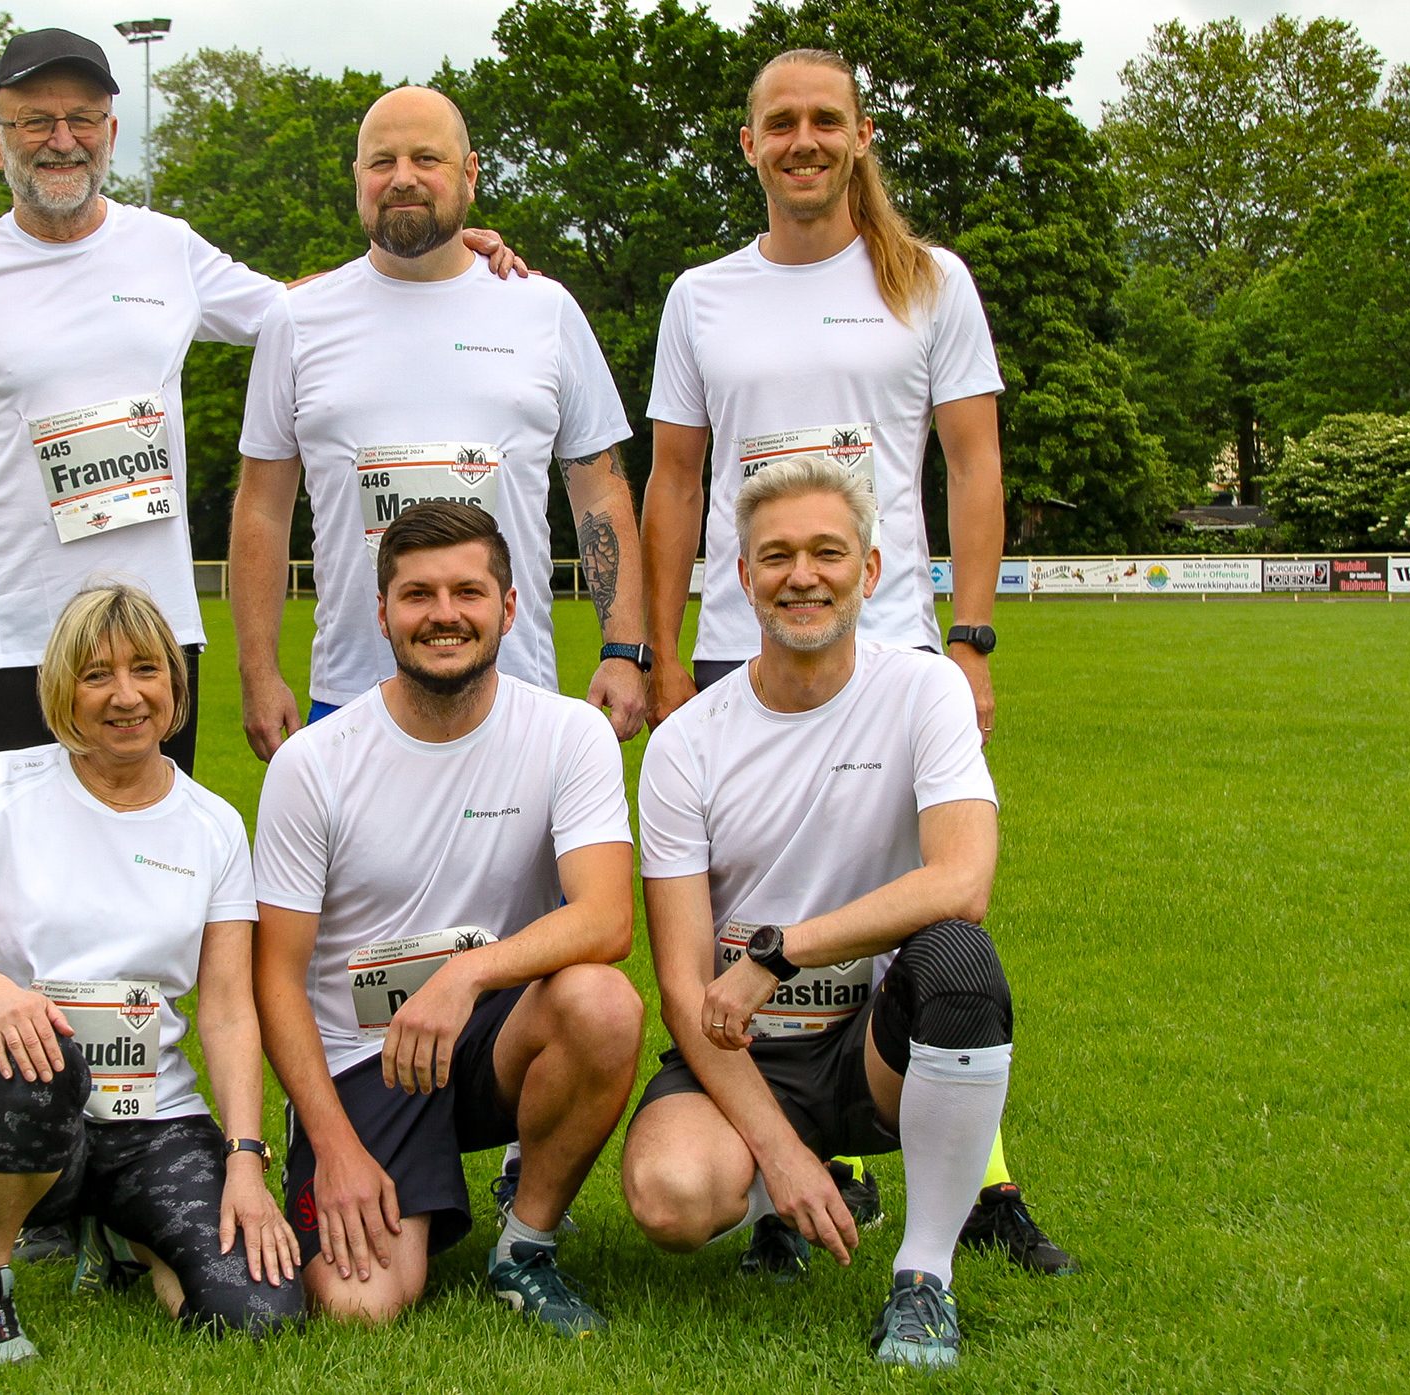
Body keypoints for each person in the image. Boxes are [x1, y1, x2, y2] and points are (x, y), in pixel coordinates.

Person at [636, 46, 1071, 1275]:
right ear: (749, 146)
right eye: (780, 123)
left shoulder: (928, 281)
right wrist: (658, 652)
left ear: (861, 134)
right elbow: (674, 480)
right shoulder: (700, 296)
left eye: (825, 119)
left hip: (888, 648)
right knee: (743, 928)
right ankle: (784, 1170)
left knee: (922, 926)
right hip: (737, 650)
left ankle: (973, 1182)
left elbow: (971, 463)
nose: (803, 140)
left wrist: (970, 636)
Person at [0, 31, 527, 775]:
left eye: (84, 119)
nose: (62, 140)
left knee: (155, 865)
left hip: (158, 643)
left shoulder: (166, 247)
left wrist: (443, 254)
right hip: (19, 641)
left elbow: (301, 310)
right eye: (35, 120)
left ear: (111, 134)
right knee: (25, 879)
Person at [619, 456, 1023, 1370]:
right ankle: (773, 1201)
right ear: (744, 577)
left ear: (870, 572)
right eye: (777, 556)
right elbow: (683, 984)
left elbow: (962, 881)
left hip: (873, 1046)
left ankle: (925, 1279)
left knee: (960, 957)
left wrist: (781, 950)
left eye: (828, 552)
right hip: (737, 1041)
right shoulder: (685, 743)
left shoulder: (924, 691)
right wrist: (782, 1152)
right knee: (670, 1198)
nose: (802, 575)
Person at [251, 501, 642, 1334]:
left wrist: (464, 975)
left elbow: (608, 919)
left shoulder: (570, 735)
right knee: (362, 1306)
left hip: (488, 1034)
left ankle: (525, 1245)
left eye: (468, 591)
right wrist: (336, 1147)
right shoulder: (312, 765)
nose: (443, 615)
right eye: (418, 594)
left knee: (603, 1002)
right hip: (364, 1056)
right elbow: (275, 976)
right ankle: (366, 1165)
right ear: (384, 612)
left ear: (508, 607)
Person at [0, 582, 302, 1363]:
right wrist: (2, 997)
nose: (126, 695)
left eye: (146, 669)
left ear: (174, 683)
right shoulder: (4, 787)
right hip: (7, 1105)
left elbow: (226, 1010)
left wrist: (245, 1158)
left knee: (258, 1308)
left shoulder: (214, 823)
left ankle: (124, 1231)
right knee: (43, 1064)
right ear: (62, 689)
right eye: (97, 675)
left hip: (151, 1120)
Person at [232, 85, 649, 761]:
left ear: (470, 174)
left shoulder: (542, 309)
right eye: (381, 161)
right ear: (357, 180)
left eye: (426, 158)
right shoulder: (297, 322)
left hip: (518, 696)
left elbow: (599, 491)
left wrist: (625, 650)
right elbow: (262, 510)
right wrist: (257, 671)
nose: (402, 178)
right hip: (351, 700)